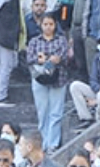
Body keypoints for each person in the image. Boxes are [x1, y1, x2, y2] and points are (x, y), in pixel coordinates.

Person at [25, 13, 69, 150]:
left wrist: (56, 60)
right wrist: (40, 60)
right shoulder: (34, 41)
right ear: (41, 25)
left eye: (51, 24)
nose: (48, 27)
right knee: (42, 111)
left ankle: (53, 144)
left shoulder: (61, 40)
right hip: (39, 78)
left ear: (55, 25)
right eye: (45, 24)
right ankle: (43, 143)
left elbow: (66, 57)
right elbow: (28, 58)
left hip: (59, 78)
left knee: (56, 112)